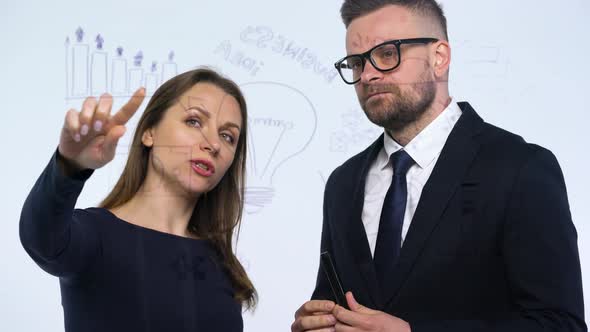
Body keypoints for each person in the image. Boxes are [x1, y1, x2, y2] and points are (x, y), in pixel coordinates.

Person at [292, 1, 585, 331]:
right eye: (357, 63)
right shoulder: (342, 184)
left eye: (387, 53)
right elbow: (336, 302)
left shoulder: (521, 168)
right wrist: (317, 322)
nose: (368, 75)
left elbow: (561, 325)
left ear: (439, 58)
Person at [20, 68, 256, 332]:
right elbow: (41, 239)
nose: (213, 144)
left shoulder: (220, 263)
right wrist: (68, 167)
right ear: (149, 132)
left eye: (228, 136)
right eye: (194, 121)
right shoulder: (96, 236)